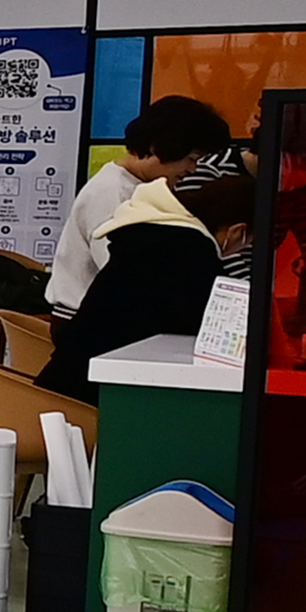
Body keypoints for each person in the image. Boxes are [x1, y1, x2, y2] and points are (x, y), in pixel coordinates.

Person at [36, 157, 249, 402]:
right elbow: (201, 326)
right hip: (98, 394)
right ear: (237, 231)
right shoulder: (190, 251)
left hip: (72, 375)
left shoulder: (153, 235)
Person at [47, 95, 230, 314]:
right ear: (159, 147)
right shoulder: (114, 193)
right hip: (86, 320)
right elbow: (122, 274)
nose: (193, 170)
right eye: (192, 159)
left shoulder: (142, 187)